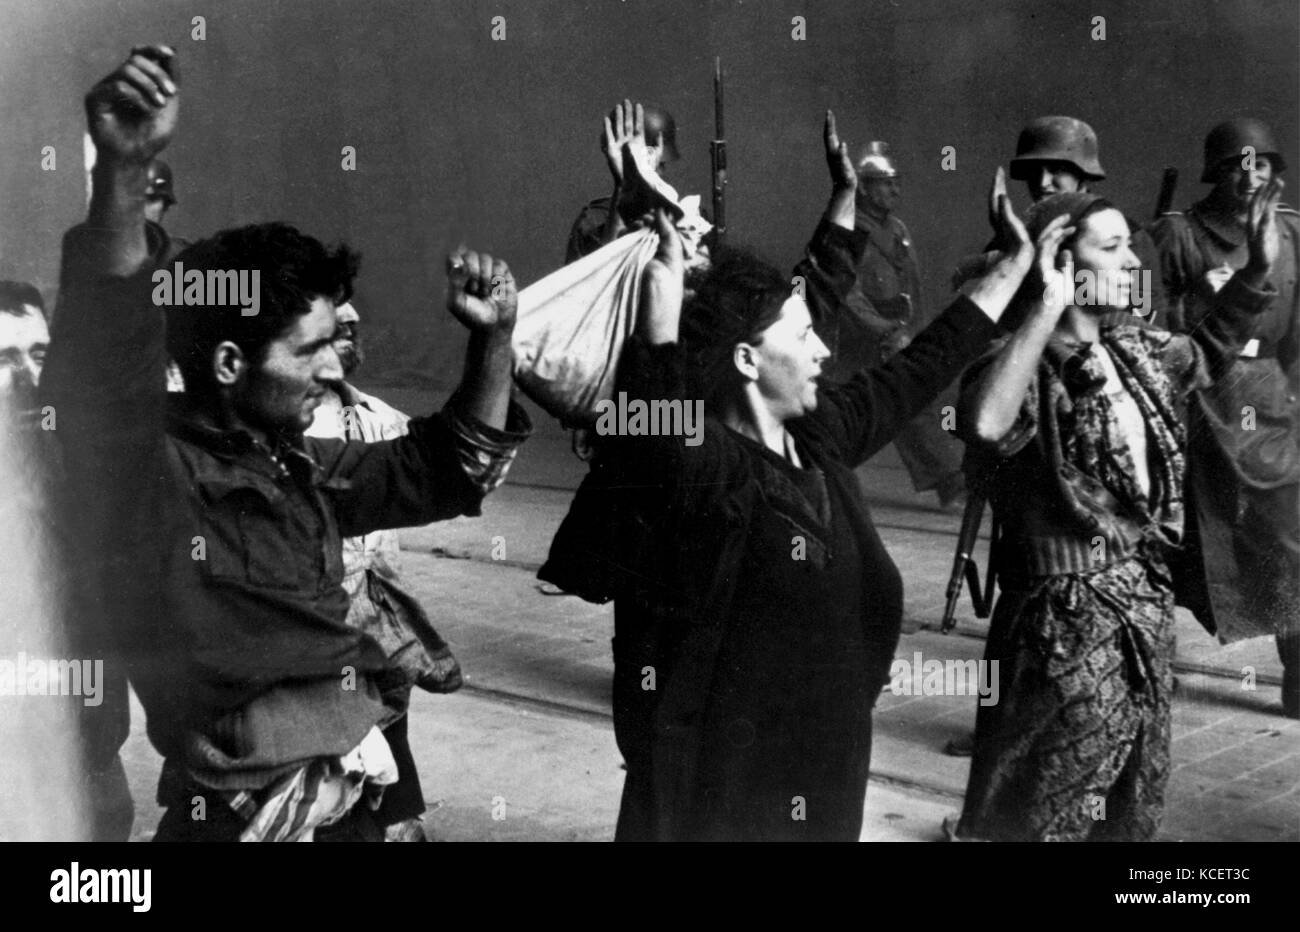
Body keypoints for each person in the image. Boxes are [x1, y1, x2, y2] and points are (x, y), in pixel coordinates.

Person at [41, 44, 530, 841]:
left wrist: (495, 341)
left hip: (347, 806)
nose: (335, 368)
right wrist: (121, 180)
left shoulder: (295, 461)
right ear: (231, 363)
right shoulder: (150, 474)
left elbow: (444, 470)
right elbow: (99, 377)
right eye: (310, 350)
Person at [546, 109, 1039, 841]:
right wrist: (661, 298)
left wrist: (1018, 269)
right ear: (746, 362)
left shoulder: (820, 435)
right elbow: (651, 419)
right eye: (801, 337)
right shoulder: (707, 468)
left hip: (823, 770)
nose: (820, 351)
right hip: (721, 785)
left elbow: (920, 363)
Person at [951, 180, 1282, 841]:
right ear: (1062, 265)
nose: (1136, 262)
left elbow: (1208, 350)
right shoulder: (1019, 361)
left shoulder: (1135, 349)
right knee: (1044, 811)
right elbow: (987, 422)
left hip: (1142, 614)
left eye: (1131, 246)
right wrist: (1046, 303)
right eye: (1113, 248)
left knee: (1130, 804)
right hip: (1060, 629)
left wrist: (1255, 272)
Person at [1150, 118, 1300, 718]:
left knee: (1294, 540)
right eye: (1239, 165)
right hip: (1195, 401)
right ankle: (1150, 669)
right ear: (1216, 173)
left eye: (1262, 165)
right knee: (1168, 545)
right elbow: (1151, 330)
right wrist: (1198, 302)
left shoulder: (1291, 236)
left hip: (1268, 404)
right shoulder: (1177, 236)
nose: (1251, 176)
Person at [305, 299, 466, 841]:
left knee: (391, 717)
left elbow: (442, 463)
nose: (346, 340)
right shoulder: (288, 428)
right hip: (322, 620)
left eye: (353, 329)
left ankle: (399, 819)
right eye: (334, 332)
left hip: (380, 615)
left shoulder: (381, 417)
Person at [835, 140, 965, 508]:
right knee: (901, 400)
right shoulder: (849, 229)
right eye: (885, 182)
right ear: (864, 186)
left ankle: (951, 476)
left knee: (912, 397)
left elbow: (914, 287)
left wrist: (918, 334)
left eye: (897, 182)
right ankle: (949, 478)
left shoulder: (898, 230)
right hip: (862, 341)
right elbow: (848, 293)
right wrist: (885, 331)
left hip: (901, 334)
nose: (895, 190)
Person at [566, 101, 681, 263]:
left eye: (660, 164)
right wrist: (624, 184)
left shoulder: (685, 216)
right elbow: (595, 279)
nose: (660, 171)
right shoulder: (594, 220)